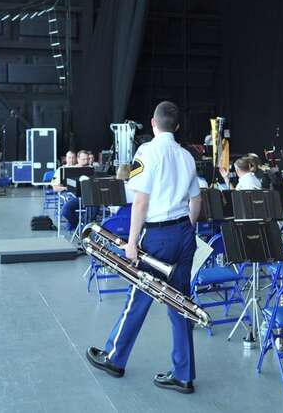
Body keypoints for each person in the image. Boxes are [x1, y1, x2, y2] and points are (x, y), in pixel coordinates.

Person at [87, 101, 202, 394]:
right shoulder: (187, 156)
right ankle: (184, 375)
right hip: (184, 232)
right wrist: (183, 229)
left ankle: (115, 358)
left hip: (158, 236)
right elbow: (196, 201)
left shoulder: (146, 152)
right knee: (182, 303)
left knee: (137, 298)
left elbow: (140, 202)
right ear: (177, 126)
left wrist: (132, 242)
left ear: (153, 122)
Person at [60, 150, 91, 231]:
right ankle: (78, 225)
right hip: (75, 197)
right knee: (65, 210)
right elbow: (60, 186)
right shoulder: (69, 170)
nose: (86, 161)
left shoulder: (92, 169)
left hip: (90, 197)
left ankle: (87, 227)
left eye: (87, 159)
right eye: (83, 159)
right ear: (78, 159)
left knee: (93, 207)